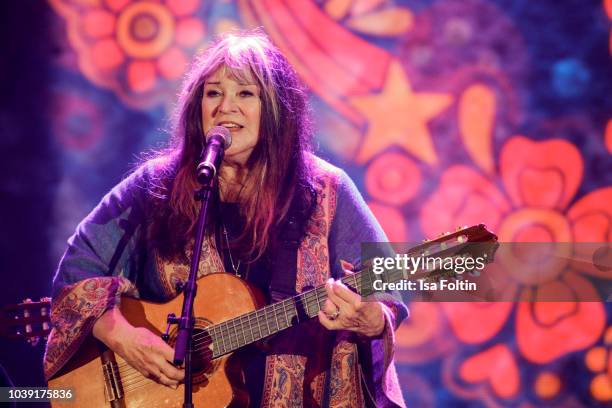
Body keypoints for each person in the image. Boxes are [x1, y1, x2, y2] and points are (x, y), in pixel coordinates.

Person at [43, 31, 408, 407]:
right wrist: (125, 338)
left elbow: (388, 285)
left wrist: (372, 320)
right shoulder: (156, 186)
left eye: (245, 94)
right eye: (213, 93)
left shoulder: (327, 190)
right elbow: (76, 272)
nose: (225, 107)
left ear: (276, 110)